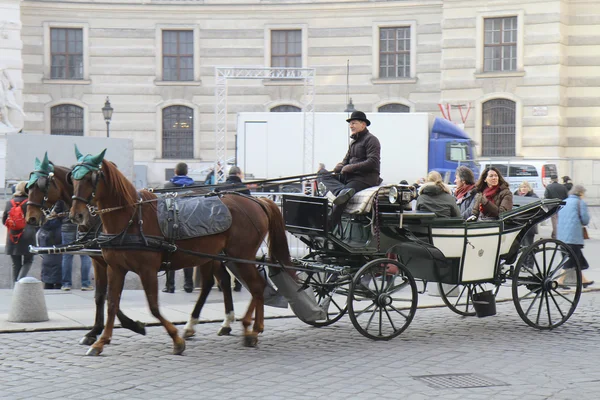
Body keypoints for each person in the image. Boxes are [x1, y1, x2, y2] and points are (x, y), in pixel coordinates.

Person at [321, 111, 381, 228]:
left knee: (343, 196)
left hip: (364, 179)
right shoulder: (353, 143)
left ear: (363, 124)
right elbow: (345, 161)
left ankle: (329, 226)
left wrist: (350, 167)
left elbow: (372, 162)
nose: (351, 126)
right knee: (322, 174)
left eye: (353, 123)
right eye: (350, 124)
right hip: (350, 178)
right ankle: (343, 192)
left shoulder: (372, 140)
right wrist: (340, 166)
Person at [162, 162, 194, 293]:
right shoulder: (195, 186)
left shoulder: (167, 186)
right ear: (186, 172)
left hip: (172, 224)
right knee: (189, 254)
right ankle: (188, 285)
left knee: (170, 253)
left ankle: (170, 286)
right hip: (190, 224)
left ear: (175, 171)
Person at [557, 184, 594, 287]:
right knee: (571, 259)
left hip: (562, 236)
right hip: (573, 236)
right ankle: (560, 281)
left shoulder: (564, 201)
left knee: (576, 259)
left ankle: (584, 281)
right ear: (581, 193)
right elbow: (585, 220)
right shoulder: (580, 202)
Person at [54, 200, 93, 291]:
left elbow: (56, 212)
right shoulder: (83, 191)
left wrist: (64, 219)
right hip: (83, 227)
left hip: (67, 227)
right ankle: (85, 283)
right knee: (85, 255)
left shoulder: (64, 193)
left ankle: (66, 284)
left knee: (67, 256)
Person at [2, 181, 36, 283]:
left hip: (13, 236)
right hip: (28, 235)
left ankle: (15, 287)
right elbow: (35, 220)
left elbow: (4, 220)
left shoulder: (9, 202)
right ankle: (20, 282)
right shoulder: (30, 202)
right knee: (28, 260)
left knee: (15, 263)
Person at [37, 210, 63, 289]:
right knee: (58, 264)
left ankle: (48, 283)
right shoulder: (59, 226)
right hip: (58, 262)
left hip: (46, 258)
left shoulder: (43, 226)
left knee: (47, 263)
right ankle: (57, 284)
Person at [514, 181, 539, 249]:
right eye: (522, 187)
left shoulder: (533, 197)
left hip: (529, 224)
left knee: (528, 246)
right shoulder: (516, 196)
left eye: (525, 187)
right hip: (518, 224)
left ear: (529, 188)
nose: (523, 188)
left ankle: (530, 259)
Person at [544, 174, 569, 239]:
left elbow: (546, 196)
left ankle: (556, 235)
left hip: (552, 205)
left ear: (551, 180)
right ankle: (557, 233)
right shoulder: (562, 187)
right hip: (561, 204)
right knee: (560, 220)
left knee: (554, 220)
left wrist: (546, 205)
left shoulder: (549, 187)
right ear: (557, 179)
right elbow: (567, 196)